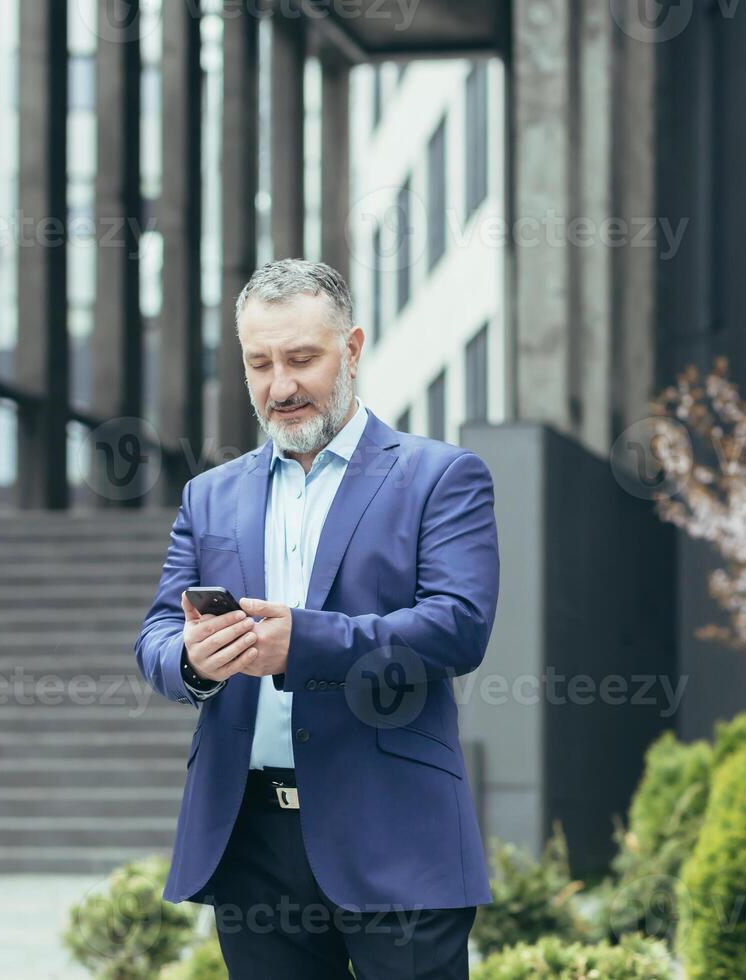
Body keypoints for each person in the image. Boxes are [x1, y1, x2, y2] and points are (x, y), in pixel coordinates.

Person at [133, 258, 499, 978]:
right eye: (260, 363)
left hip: (396, 830)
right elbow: (154, 636)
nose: (281, 386)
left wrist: (306, 642)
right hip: (252, 838)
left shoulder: (441, 476)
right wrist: (191, 661)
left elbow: (459, 626)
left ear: (354, 350)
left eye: (302, 359)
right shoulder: (209, 497)